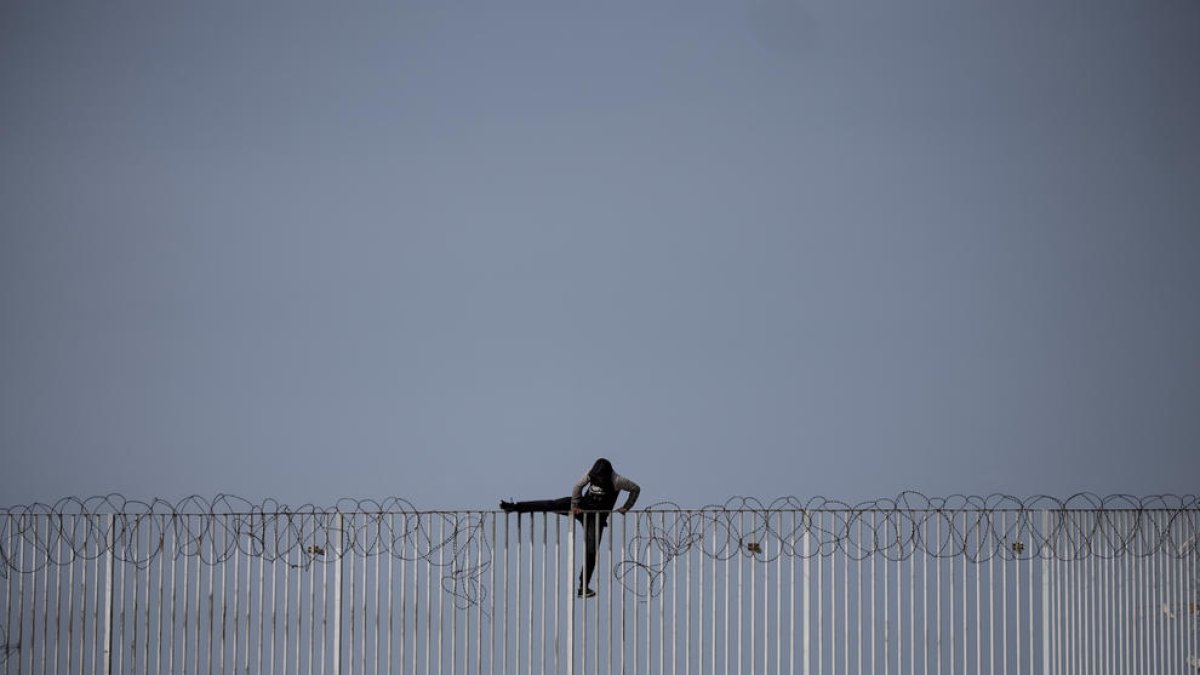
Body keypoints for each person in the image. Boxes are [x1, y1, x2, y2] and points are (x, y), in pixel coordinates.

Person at [500, 458, 640, 598]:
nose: (596, 480)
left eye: (599, 479)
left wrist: (626, 507)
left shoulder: (617, 480)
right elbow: (578, 487)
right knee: (551, 504)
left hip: (596, 518)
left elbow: (635, 489)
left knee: (591, 551)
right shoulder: (591, 473)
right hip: (582, 507)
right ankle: (514, 507)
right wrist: (575, 506)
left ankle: (583, 587)